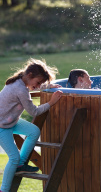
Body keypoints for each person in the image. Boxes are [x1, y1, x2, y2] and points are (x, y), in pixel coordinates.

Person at [0, 58, 63, 192]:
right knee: (13, 157)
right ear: (29, 75)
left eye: (41, 83)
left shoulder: (20, 82)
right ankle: (4, 189)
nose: (39, 85)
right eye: (38, 82)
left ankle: (20, 165)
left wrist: (48, 87)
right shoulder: (20, 89)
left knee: (34, 131)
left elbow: (32, 88)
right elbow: (34, 111)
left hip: (10, 121)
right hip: (1, 127)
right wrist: (51, 103)